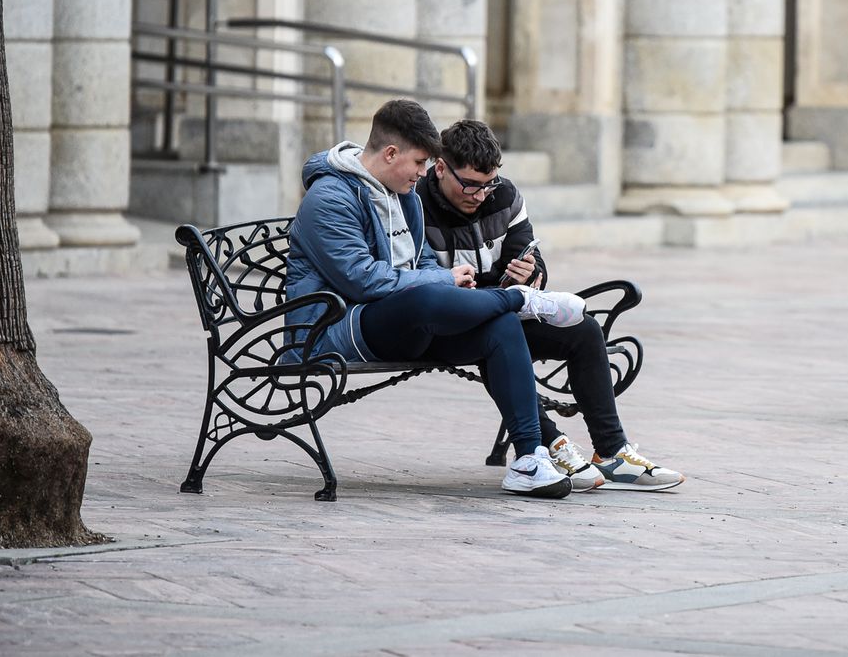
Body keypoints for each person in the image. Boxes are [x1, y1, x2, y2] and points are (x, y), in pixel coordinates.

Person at [285, 98, 591, 498]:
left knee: (495, 326)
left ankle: (529, 458)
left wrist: (446, 282)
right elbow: (362, 282)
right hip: (335, 330)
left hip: (401, 323)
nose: (423, 173)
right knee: (426, 300)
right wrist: (441, 281)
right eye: (419, 162)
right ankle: (520, 300)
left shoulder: (404, 195)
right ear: (391, 153)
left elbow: (423, 260)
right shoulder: (329, 199)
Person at [418, 118, 685, 492]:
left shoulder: (504, 197)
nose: (480, 195)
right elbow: (421, 282)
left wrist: (530, 273)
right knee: (501, 333)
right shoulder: (414, 204)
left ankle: (612, 452)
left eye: (488, 183)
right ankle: (553, 443)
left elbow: (531, 257)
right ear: (440, 167)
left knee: (584, 331)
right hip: (442, 323)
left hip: (500, 308)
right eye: (470, 185)